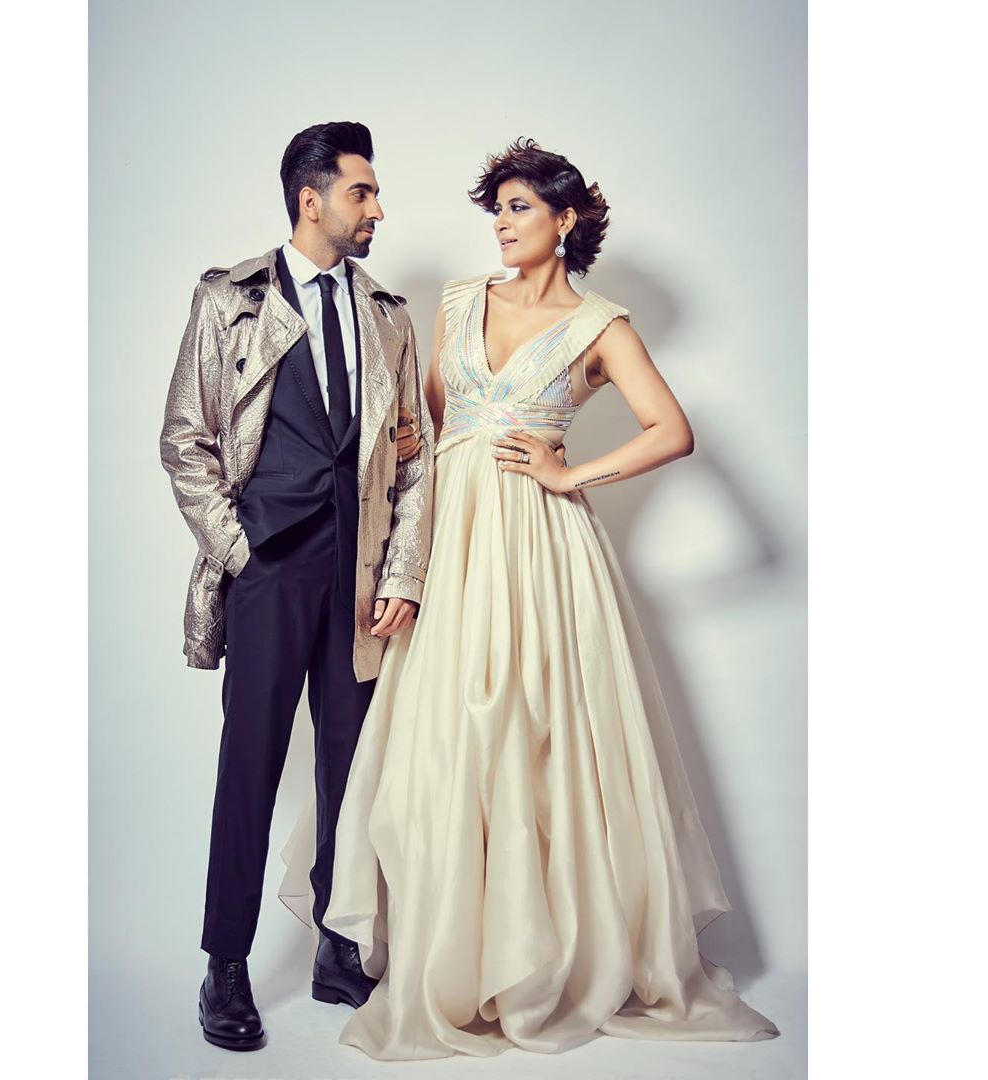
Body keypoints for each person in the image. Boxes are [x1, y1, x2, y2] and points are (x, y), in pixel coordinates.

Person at [281, 137, 781, 1058]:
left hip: (544, 549)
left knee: (537, 732)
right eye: (498, 209)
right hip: (453, 541)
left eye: (519, 208)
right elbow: (427, 432)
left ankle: (538, 955)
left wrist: (570, 473)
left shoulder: (601, 327)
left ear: (566, 219)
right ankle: (440, 947)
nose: (503, 225)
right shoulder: (460, 301)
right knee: (441, 734)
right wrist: (397, 549)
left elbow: (672, 431)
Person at [159, 120, 433, 1052]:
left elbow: (414, 460)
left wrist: (403, 572)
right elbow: (185, 440)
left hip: (359, 575)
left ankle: (337, 943)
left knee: (351, 770)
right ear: (310, 200)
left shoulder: (388, 314)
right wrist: (240, 551)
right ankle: (226, 964)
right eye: (362, 191)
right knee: (252, 764)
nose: (377, 208)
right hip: (269, 568)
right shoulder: (230, 299)